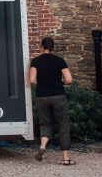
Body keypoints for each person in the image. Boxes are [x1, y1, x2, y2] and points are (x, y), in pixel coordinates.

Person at [30, 36, 75, 165]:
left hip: (42, 96)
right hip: (58, 96)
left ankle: (43, 146)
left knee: (45, 123)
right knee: (63, 125)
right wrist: (60, 82)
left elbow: (32, 80)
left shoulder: (36, 61)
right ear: (52, 47)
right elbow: (69, 80)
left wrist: (43, 83)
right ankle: (66, 158)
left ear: (42, 47)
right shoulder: (60, 61)